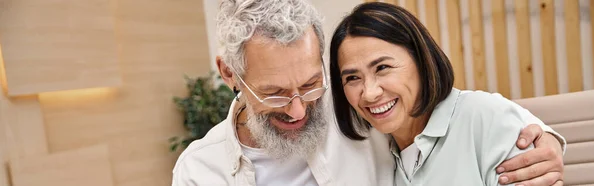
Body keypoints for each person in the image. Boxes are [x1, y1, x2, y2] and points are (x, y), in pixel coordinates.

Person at [171, 0, 565, 185]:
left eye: (310, 85)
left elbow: (448, 112)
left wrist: (541, 134)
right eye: (273, 93)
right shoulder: (198, 171)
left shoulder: (357, 108)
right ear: (229, 73)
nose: (297, 110)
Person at [328, 2, 565, 186]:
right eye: (352, 78)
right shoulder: (382, 150)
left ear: (421, 61)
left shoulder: (485, 118)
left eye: (382, 68)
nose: (369, 93)